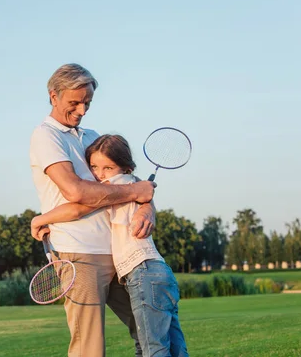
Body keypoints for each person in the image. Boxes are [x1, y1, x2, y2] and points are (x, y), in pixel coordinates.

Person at [29, 63, 156, 357]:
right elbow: (75, 191)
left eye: (87, 103)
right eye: (75, 102)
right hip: (79, 254)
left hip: (122, 251)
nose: (82, 110)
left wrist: (147, 207)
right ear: (54, 96)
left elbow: (131, 180)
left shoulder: (92, 136)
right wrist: (134, 193)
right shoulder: (46, 136)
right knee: (90, 347)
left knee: (151, 329)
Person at [32, 134, 189, 357]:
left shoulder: (118, 186)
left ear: (125, 168)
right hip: (158, 270)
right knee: (173, 345)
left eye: (108, 167)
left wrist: (40, 219)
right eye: (94, 167)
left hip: (142, 272)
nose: (99, 174)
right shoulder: (134, 184)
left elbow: (78, 208)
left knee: (152, 349)